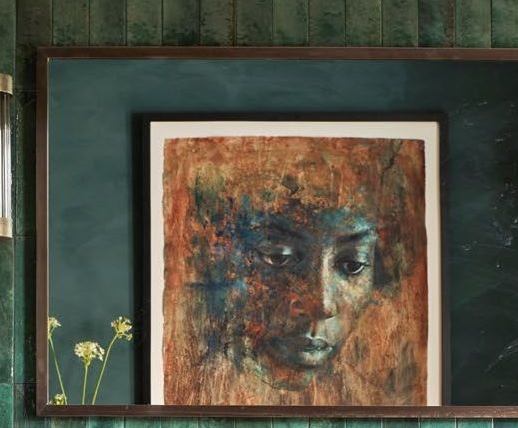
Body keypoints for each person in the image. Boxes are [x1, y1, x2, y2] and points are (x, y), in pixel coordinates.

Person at [160, 133, 429, 406]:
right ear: (219, 256)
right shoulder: (186, 382)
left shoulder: (378, 401)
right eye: (278, 258)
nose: (322, 303)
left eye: (352, 265)